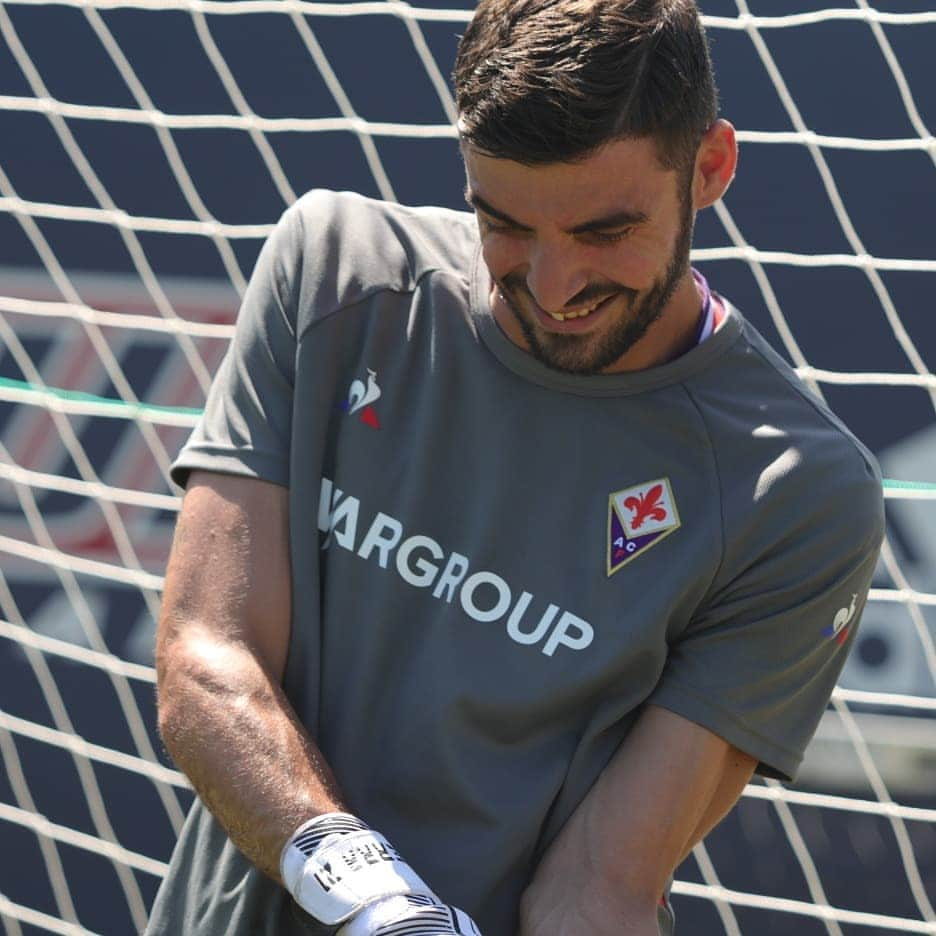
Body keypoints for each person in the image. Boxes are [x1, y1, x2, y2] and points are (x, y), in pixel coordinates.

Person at [146, 1, 885, 934]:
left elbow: (602, 882)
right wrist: (376, 901)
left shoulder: (798, 492)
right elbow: (206, 656)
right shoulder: (336, 271)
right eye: (505, 225)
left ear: (710, 168)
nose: (551, 285)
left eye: (604, 232)